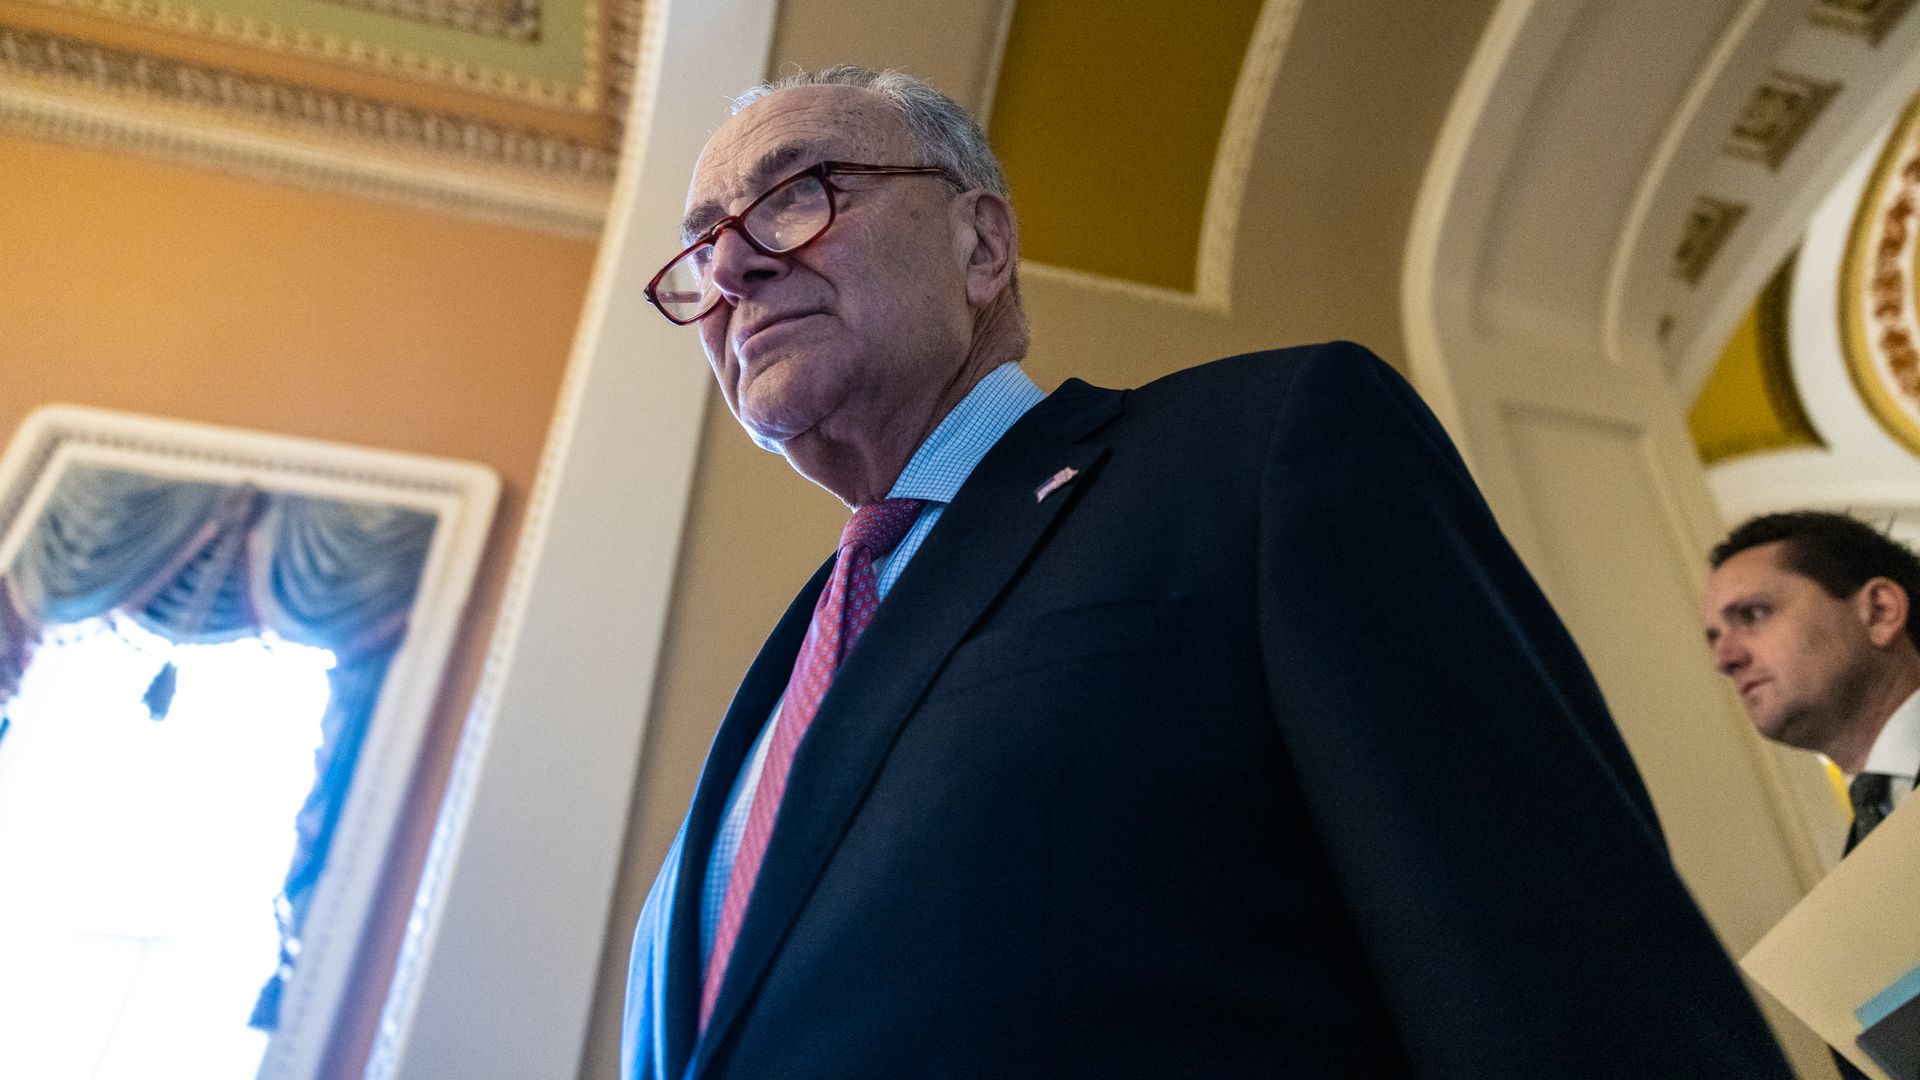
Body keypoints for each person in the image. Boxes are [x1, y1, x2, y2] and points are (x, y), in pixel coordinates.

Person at [622, 65, 1791, 1080]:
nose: (730, 269)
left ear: (981, 242)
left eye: (792, 196)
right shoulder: (788, 672)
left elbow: (1558, 953)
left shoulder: (1261, 450)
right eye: (700, 244)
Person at [1702, 512, 1920, 1079]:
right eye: (1715, 638)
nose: (1724, 658)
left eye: (1752, 616)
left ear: (1879, 612)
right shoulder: (1856, 874)